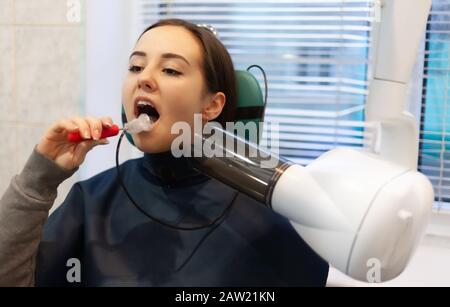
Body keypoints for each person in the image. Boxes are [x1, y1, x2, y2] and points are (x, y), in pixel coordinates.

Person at [0, 19, 329, 287]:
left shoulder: (275, 207)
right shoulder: (91, 201)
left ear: (212, 105)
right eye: (135, 66)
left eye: (170, 70)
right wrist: (38, 179)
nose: (144, 78)